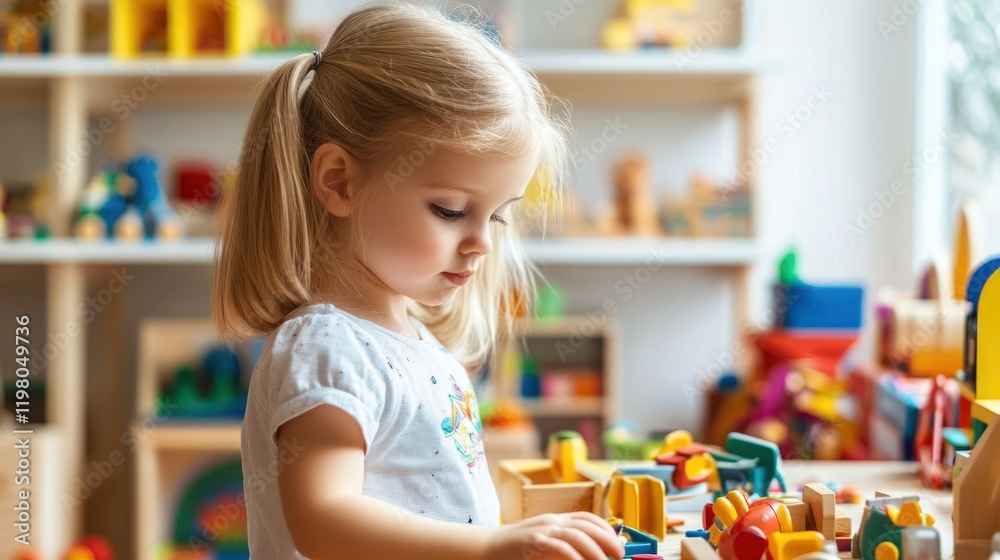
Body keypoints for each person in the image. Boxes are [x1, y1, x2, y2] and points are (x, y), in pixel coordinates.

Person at [212, 3, 623, 559]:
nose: (483, 241)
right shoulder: (328, 347)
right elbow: (324, 517)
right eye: (451, 210)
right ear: (338, 183)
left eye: (498, 215)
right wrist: (491, 547)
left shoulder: (411, 342)